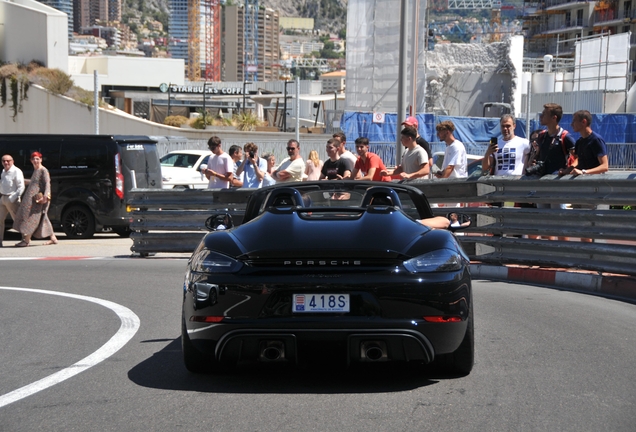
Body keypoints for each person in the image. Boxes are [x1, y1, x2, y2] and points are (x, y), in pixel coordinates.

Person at [13, 152, 58, 247]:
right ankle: (53, 238)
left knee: (32, 218)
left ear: (41, 159)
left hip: (40, 199)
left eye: (37, 159)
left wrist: (45, 197)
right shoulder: (35, 170)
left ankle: (26, 240)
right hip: (33, 199)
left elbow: (47, 184)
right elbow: (35, 182)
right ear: (31, 160)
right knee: (43, 217)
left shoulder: (43, 170)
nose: (35, 161)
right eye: (33, 159)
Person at [529, 103, 575, 177]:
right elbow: (537, 155)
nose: (541, 116)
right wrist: (534, 162)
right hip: (540, 179)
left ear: (554, 118)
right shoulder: (542, 135)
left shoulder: (565, 136)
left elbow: (578, 159)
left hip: (557, 181)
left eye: (544, 114)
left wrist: (568, 170)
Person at [560, 110, 609, 177]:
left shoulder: (596, 140)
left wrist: (584, 172)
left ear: (584, 122)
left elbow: (604, 166)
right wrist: (568, 169)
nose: (571, 124)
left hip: (595, 184)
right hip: (582, 183)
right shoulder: (579, 142)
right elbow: (578, 160)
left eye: (574, 121)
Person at [0, 154, 25, 247]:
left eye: (8, 161)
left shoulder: (16, 171)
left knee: (18, 220)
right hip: (3, 198)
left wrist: (13, 198)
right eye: (4, 161)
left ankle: (25, 239)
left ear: (12, 161)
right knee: (0, 220)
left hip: (12, 198)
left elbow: (21, 187)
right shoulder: (3, 171)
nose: (6, 163)